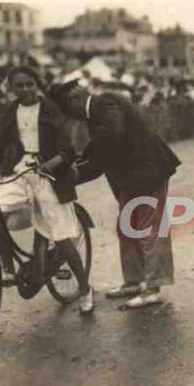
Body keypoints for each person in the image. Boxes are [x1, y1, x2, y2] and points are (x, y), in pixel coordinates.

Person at [0, 66, 94, 314]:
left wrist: (50, 163)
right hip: (19, 170)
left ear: (36, 85)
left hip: (49, 172)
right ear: (12, 88)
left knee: (61, 235)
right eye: (19, 85)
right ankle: (7, 267)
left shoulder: (50, 110)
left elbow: (67, 149)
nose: (24, 89)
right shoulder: (11, 111)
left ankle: (84, 288)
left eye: (29, 84)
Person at [48, 81, 181, 309]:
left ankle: (152, 288)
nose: (72, 118)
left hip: (147, 170)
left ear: (75, 100)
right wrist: (77, 170)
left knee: (150, 228)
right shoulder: (97, 112)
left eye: (68, 111)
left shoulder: (105, 103)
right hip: (130, 175)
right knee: (127, 226)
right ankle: (134, 280)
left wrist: (77, 170)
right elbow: (102, 151)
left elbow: (109, 140)